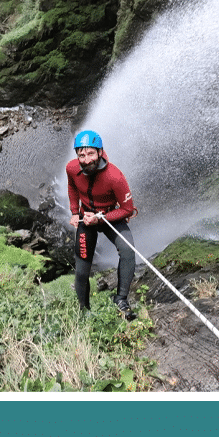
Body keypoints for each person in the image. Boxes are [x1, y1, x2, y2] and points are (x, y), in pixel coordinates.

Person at [66, 130, 137, 321]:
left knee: (128, 250)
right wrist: (74, 211)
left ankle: (121, 298)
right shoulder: (72, 168)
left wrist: (101, 218)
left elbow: (127, 208)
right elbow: (72, 186)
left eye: (90, 154)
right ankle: (84, 310)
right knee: (82, 268)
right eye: (81, 155)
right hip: (85, 218)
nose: (87, 160)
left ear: (100, 152)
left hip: (109, 217)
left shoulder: (115, 177)